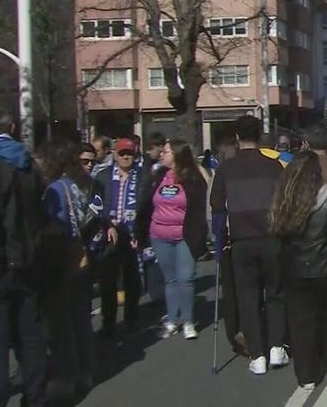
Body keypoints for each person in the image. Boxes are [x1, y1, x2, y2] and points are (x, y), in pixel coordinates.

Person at [0, 103, 47, 407]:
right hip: (27, 260)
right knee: (28, 336)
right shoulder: (27, 163)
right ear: (12, 128)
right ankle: (35, 395)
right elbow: (37, 212)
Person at [269, 152, 327, 389]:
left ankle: (307, 375)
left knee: (301, 323)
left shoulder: (285, 199)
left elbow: (276, 230)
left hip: (295, 268)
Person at [210, 116, 288, 374]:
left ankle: (257, 355)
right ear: (260, 136)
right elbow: (285, 202)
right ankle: (277, 347)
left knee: (248, 297)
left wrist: (220, 241)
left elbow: (218, 209)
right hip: (272, 236)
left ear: (236, 137)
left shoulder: (226, 169)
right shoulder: (274, 167)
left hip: (242, 240)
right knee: (275, 293)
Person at [38, 139, 96, 401]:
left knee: (62, 323)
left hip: (61, 258)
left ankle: (66, 377)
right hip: (79, 254)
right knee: (81, 317)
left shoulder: (54, 190)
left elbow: (56, 226)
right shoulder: (76, 185)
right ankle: (86, 369)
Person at [136, 139, 208, 340]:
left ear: (177, 154)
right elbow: (145, 204)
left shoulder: (193, 178)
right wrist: (139, 232)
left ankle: (188, 320)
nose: (161, 154)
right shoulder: (159, 175)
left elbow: (201, 209)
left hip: (184, 236)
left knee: (185, 278)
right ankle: (172, 318)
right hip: (159, 235)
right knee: (170, 279)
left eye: (166, 151)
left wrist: (202, 235)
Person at [93, 137, 145, 337]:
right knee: (108, 280)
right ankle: (109, 321)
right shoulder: (103, 176)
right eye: (122, 153)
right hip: (110, 234)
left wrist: (141, 231)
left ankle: (131, 318)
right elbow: (97, 205)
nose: (125, 157)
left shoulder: (141, 176)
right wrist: (106, 224)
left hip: (132, 234)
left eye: (129, 153)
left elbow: (147, 205)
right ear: (115, 154)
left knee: (132, 280)